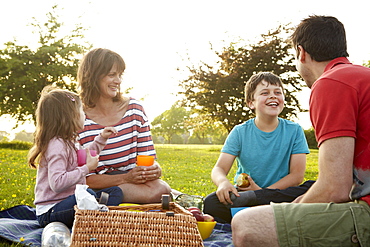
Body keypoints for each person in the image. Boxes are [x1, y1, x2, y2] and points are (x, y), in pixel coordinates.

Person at [232, 15, 370, 247]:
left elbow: (335, 188)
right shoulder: (361, 76)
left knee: (246, 225)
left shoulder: (331, 83)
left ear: (301, 53)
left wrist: (293, 208)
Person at [203, 72, 313, 223]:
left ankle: (250, 216)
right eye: (265, 93)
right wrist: (223, 182)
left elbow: (296, 176)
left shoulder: (294, 130)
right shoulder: (240, 132)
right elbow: (219, 169)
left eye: (277, 92)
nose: (273, 96)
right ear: (251, 103)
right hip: (247, 196)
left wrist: (262, 193)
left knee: (311, 187)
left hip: (279, 195)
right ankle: (265, 216)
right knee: (211, 202)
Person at [77, 48, 172, 203]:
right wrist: (125, 178)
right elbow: (82, 177)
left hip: (132, 182)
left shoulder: (134, 110)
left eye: (119, 75)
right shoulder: (77, 117)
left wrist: (155, 169)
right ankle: (97, 201)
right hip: (95, 184)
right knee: (158, 193)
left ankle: (104, 202)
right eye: (111, 75)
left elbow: (147, 157)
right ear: (93, 76)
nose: (118, 81)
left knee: (162, 190)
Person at [28, 86, 123, 228]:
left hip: (70, 202)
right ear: (69, 116)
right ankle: (95, 218)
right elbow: (57, 183)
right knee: (88, 193)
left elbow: (85, 156)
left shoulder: (70, 141)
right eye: (81, 111)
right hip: (50, 212)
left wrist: (102, 138)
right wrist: (86, 169)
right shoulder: (57, 145)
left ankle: (93, 216)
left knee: (115, 192)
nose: (85, 115)